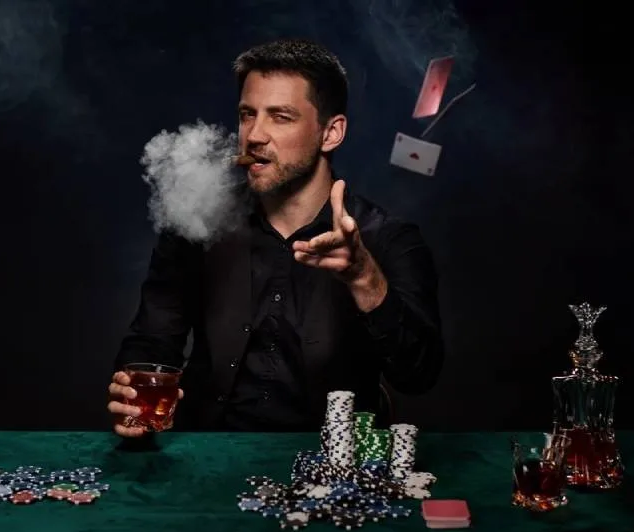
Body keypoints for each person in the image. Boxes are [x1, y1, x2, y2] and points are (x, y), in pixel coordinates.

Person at [108, 38, 443, 436]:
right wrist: (134, 389)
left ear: (331, 133)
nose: (254, 135)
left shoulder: (387, 238)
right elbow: (152, 340)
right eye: (247, 115)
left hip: (330, 464)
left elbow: (418, 375)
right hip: (210, 455)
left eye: (281, 117)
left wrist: (364, 277)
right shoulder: (197, 224)